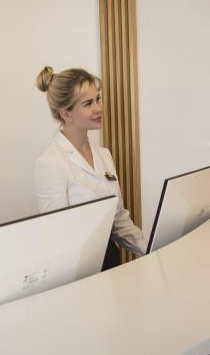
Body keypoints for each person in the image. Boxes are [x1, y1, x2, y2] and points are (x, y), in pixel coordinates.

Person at [35, 66, 146, 269]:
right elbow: (55, 236)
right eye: (88, 104)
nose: (99, 108)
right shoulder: (51, 163)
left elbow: (117, 218)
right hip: (78, 269)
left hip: (110, 261)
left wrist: (150, 247)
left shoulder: (103, 155)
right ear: (66, 114)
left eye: (98, 99)